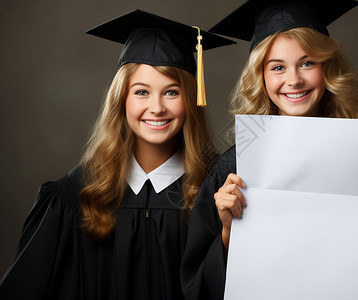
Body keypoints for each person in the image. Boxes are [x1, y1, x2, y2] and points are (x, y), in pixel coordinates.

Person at [181, 1, 358, 299]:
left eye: (307, 62)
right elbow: (198, 289)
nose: (294, 80)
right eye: (277, 67)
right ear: (260, 77)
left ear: (327, 68)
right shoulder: (232, 168)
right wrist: (227, 231)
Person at [0, 9, 234, 300]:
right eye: (141, 92)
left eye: (172, 92)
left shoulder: (214, 193)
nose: (157, 107)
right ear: (121, 99)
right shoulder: (74, 197)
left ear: (190, 100)